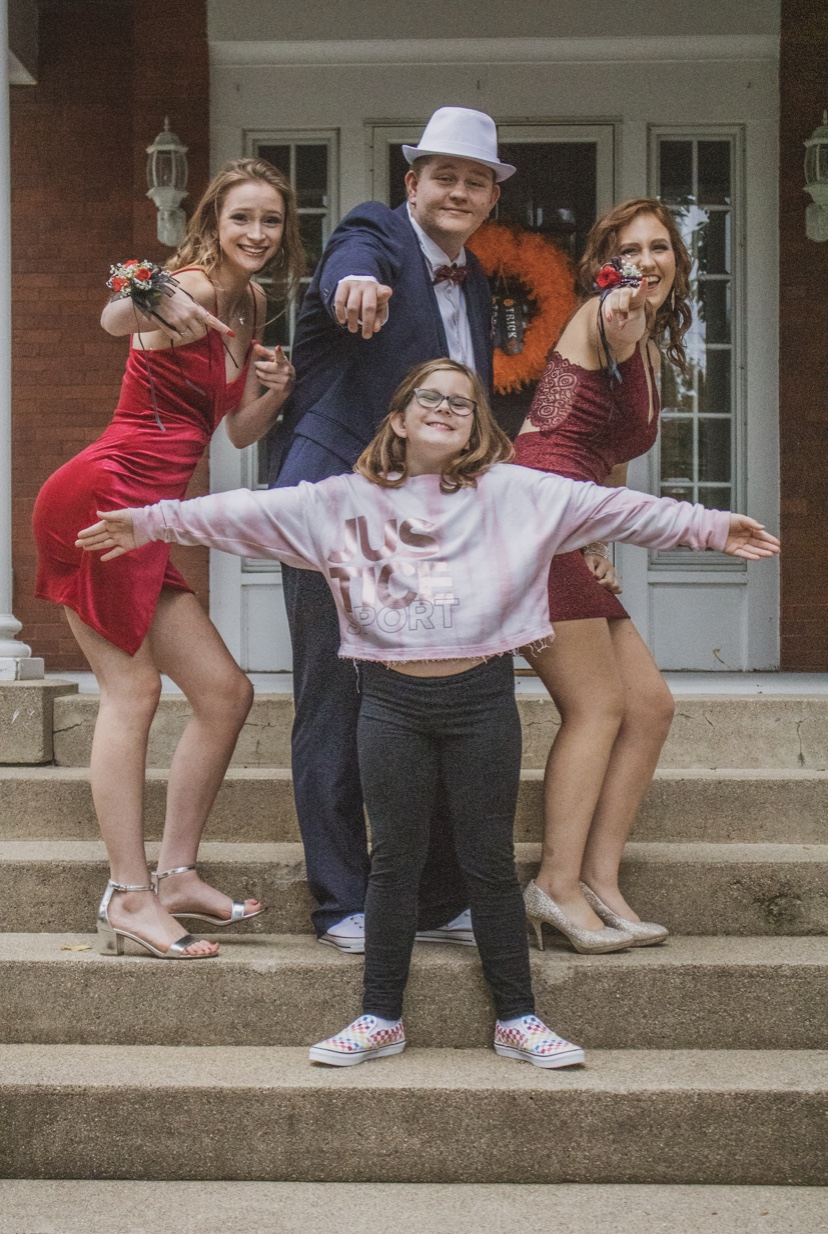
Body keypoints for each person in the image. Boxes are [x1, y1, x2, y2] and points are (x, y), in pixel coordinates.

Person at [76, 358, 779, 1065]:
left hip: (481, 703)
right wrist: (148, 522)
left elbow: (623, 509)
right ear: (401, 418)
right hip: (389, 704)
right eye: (429, 398)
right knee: (394, 863)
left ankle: (519, 1020)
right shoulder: (339, 502)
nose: (445, 408)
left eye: (461, 403)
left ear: (476, 427)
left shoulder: (517, 493)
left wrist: (712, 527)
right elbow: (242, 513)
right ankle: (380, 1017)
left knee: (488, 863)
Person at [32, 158, 305, 959]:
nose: (257, 232)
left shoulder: (251, 303)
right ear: (213, 220)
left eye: (272, 220)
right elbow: (115, 316)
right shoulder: (186, 283)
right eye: (241, 217)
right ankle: (128, 894)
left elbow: (235, 433)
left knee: (225, 693)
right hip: (100, 502)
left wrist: (275, 390)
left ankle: (177, 875)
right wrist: (153, 291)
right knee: (135, 692)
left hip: (146, 523)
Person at [268, 107, 515, 953]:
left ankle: (439, 897)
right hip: (335, 507)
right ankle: (342, 902)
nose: (459, 191)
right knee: (335, 701)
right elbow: (353, 257)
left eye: (475, 180)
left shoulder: (473, 283)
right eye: (444, 175)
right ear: (413, 184)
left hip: (424, 525)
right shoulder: (375, 234)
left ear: (490, 199)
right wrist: (355, 282)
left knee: (438, 695)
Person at [512, 198, 700, 952]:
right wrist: (621, 312)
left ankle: (599, 877)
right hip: (534, 518)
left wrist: (597, 537)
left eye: (660, 247)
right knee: (597, 706)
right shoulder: (610, 316)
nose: (646, 262)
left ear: (678, 259)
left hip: (572, 520)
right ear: (606, 265)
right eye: (630, 251)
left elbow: (608, 456)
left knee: (649, 706)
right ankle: (554, 885)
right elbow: (614, 327)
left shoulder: (648, 346)